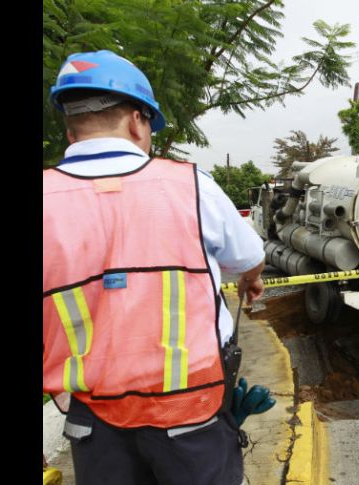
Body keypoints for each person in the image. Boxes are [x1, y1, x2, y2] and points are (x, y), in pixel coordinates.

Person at [43, 50, 272, 485]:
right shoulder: (189, 184)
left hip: (91, 420)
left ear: (70, 128)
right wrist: (251, 279)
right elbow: (249, 256)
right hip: (191, 416)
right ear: (136, 120)